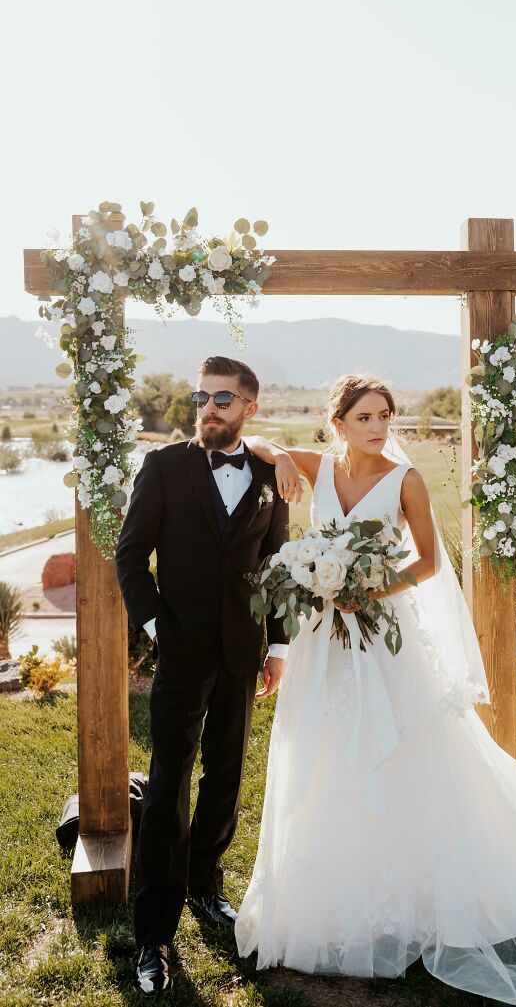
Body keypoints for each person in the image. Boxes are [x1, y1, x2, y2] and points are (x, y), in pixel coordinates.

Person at [238, 373, 516, 1007]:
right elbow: (257, 440)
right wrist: (284, 455)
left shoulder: (406, 481)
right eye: (366, 417)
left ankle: (413, 891)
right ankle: (326, 889)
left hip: (381, 633)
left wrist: (366, 589)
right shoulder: (318, 467)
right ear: (337, 421)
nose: (379, 428)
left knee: (403, 755)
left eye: (385, 416)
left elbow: (427, 561)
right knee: (323, 752)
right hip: (324, 641)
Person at [115, 356, 295, 996]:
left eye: (223, 398)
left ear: (248, 405)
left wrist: (278, 646)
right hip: (182, 648)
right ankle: (154, 935)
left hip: (243, 652)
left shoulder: (271, 474)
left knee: (225, 772)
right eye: (202, 397)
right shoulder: (164, 468)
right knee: (167, 786)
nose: (209, 408)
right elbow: (131, 554)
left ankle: (206, 885)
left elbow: (276, 563)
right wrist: (156, 626)